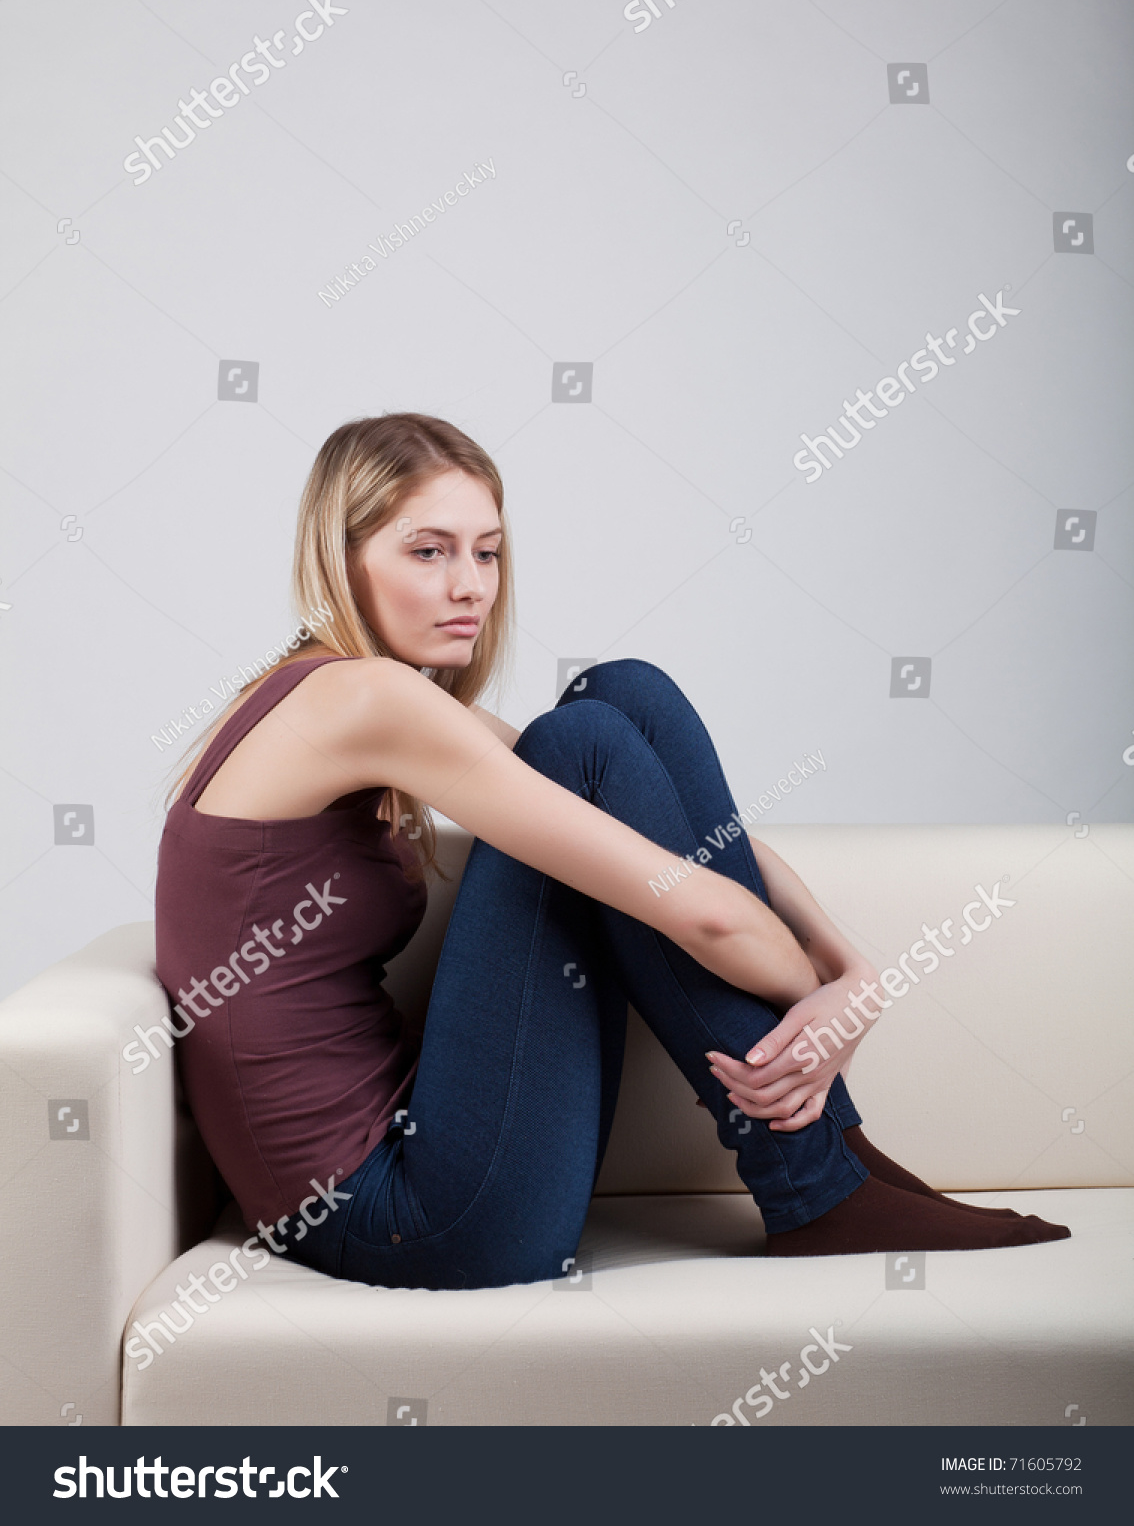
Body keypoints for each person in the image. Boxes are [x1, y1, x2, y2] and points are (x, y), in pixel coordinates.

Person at [155, 413, 1068, 1290]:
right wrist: (817, 1005)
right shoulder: (359, 702)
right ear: (341, 557)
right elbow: (700, 906)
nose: (470, 585)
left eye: (488, 550)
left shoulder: (345, 696)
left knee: (625, 694)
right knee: (583, 742)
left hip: (427, 1152)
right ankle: (816, 1181)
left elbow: (666, 827)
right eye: (427, 550)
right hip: (401, 1216)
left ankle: (829, 1165)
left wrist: (848, 966)